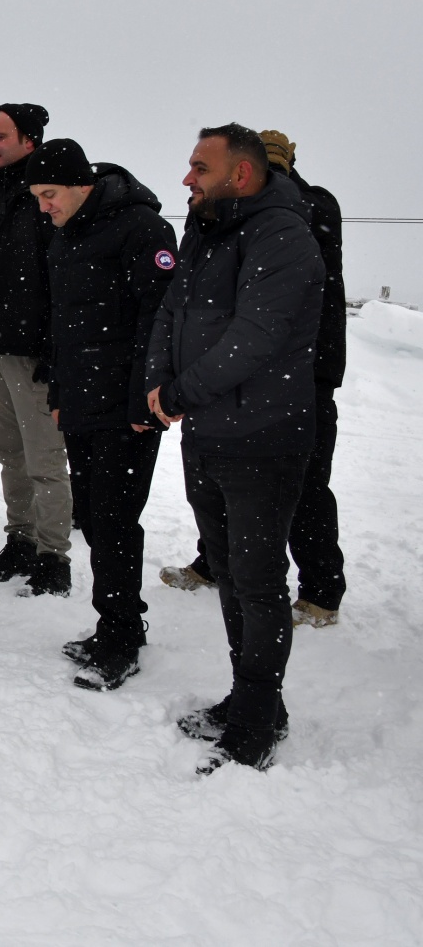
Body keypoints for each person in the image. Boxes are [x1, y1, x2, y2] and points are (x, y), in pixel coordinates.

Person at [146, 123, 324, 774]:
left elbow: (255, 338)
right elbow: (172, 311)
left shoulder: (283, 235)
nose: (187, 178)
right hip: (208, 432)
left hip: (264, 436)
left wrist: (179, 393)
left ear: (240, 174)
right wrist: (156, 384)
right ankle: (247, 699)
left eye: (199, 166)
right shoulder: (207, 227)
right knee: (226, 571)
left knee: (257, 582)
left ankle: (258, 718)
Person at [160, 131, 348, 630]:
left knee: (304, 485)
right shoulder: (217, 217)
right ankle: (213, 563)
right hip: (239, 381)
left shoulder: (304, 211)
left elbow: (282, 310)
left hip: (304, 370)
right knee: (221, 486)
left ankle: (321, 589)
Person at [26, 139, 177, 692]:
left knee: (114, 521)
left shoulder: (143, 229)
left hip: (127, 410)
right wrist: (60, 388)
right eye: (38, 198)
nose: (45, 207)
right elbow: (64, 321)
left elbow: (158, 320)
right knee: (91, 518)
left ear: (80, 184)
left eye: (50, 195)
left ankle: (122, 635)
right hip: (84, 401)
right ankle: (111, 621)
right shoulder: (68, 233)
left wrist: (144, 400)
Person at [0, 102, 73, 594]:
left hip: (32, 349)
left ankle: (53, 557)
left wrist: (54, 347)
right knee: (9, 453)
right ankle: (20, 541)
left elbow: (61, 276)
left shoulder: (46, 193)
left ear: (30, 140)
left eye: (0, 136)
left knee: (44, 458)